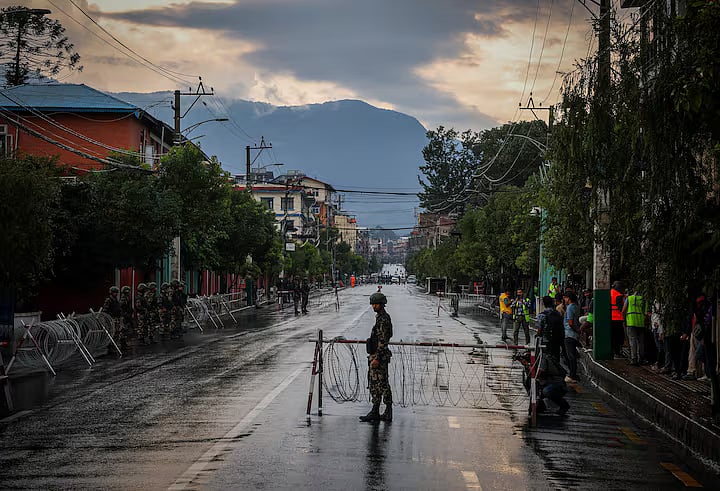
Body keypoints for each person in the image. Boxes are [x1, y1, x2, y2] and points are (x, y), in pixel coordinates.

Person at [360, 292, 393, 423]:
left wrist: (377, 358)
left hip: (380, 356)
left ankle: (387, 410)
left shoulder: (384, 319)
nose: (373, 306)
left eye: (375, 304)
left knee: (383, 384)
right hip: (376, 355)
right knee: (375, 384)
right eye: (372, 304)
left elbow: (383, 340)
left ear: (381, 304)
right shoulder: (380, 317)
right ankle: (375, 410)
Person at [536, 350, 570, 416]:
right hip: (549, 382)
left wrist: (527, 364)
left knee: (546, 391)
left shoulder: (542, 359)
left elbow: (538, 373)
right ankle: (541, 406)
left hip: (557, 384)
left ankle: (564, 405)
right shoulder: (542, 357)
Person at [623, 289, 648, 366]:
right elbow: (645, 312)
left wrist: (624, 320)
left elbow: (623, 310)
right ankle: (641, 359)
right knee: (641, 342)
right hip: (640, 322)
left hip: (631, 322)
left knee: (632, 341)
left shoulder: (629, 298)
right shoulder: (643, 299)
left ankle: (634, 359)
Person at [537, 296, 564, 360]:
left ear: (543, 304)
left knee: (545, 357)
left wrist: (538, 335)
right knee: (556, 357)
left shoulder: (541, 315)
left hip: (546, 339)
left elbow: (539, 328)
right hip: (557, 338)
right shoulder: (558, 313)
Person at [563, 291, 581, 383]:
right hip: (574, 335)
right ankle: (573, 374)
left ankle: (572, 375)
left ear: (568, 298)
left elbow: (570, 323)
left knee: (570, 356)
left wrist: (576, 330)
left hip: (569, 334)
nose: (564, 300)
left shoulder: (569, 307)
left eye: (565, 298)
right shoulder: (576, 307)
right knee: (572, 355)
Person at [102, 286, 123, 353]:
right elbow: (105, 310)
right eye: (114, 292)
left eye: (116, 292)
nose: (116, 294)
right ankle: (110, 347)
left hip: (116, 318)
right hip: (111, 318)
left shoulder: (115, 300)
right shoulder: (109, 300)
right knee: (111, 333)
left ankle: (113, 346)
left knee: (116, 332)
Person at [610, 281, 626, 357]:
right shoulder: (618, 295)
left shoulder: (610, 293)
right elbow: (621, 308)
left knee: (612, 335)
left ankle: (613, 350)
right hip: (618, 318)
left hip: (610, 317)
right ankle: (617, 352)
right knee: (619, 336)